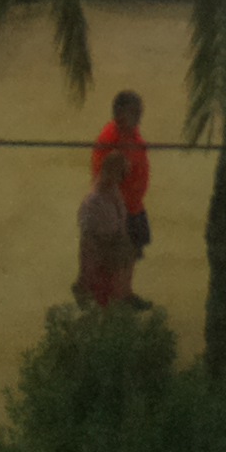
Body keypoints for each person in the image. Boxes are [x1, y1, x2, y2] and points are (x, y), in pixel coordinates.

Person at [74, 144, 136, 310]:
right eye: (121, 174)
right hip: (99, 252)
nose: (122, 179)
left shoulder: (114, 192)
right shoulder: (93, 201)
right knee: (100, 295)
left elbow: (120, 220)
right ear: (111, 171)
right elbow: (88, 236)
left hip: (115, 251)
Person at [92, 90, 150, 264]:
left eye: (139, 113)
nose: (139, 118)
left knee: (132, 257)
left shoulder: (131, 132)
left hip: (134, 207)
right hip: (119, 212)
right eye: (135, 113)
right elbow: (105, 179)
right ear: (119, 115)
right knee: (118, 261)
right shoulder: (111, 140)